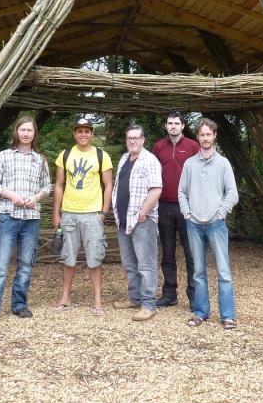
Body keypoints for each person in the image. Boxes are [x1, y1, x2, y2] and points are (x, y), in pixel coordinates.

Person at [0, 116, 51, 326]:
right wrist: (10, 195)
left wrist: (35, 198)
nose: (26, 134)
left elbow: (46, 187)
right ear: (16, 132)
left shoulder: (40, 160)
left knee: (26, 264)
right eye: (22, 130)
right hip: (8, 216)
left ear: (34, 133)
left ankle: (19, 305)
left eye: (29, 130)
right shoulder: (5, 156)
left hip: (31, 218)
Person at [178, 117, 240, 330]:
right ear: (198, 137)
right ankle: (201, 313)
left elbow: (232, 193)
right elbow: (182, 192)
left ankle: (228, 316)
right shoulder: (189, 164)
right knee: (198, 271)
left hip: (216, 223)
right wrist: (186, 212)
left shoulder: (223, 163)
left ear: (214, 136)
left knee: (223, 271)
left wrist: (222, 212)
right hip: (193, 223)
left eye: (209, 134)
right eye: (202, 134)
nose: (205, 138)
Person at [53, 116, 114, 316]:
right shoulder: (65, 155)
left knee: (94, 258)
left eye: (87, 131)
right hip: (70, 213)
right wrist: (57, 212)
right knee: (68, 257)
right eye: (80, 131)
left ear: (92, 134)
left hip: (92, 214)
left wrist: (104, 212)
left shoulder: (101, 155)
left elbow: (108, 186)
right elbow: (59, 185)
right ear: (75, 133)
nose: (83, 134)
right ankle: (65, 297)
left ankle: (97, 300)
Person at [111, 124, 163, 321]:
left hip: (142, 221)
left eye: (136, 138)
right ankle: (134, 298)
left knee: (146, 264)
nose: (132, 141)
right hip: (124, 220)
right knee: (130, 263)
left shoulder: (150, 160)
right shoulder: (125, 158)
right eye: (129, 138)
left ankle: (149, 304)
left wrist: (143, 212)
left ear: (143, 140)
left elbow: (156, 189)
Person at [151, 110, 200, 308]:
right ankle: (170, 294)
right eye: (170, 123)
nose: (173, 126)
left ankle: (194, 295)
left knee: (191, 253)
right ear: (166, 126)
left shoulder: (192, 146)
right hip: (164, 205)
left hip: (187, 206)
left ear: (183, 126)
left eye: (176, 123)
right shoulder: (158, 147)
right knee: (168, 252)